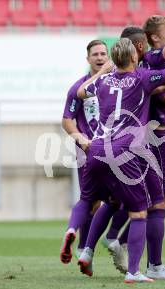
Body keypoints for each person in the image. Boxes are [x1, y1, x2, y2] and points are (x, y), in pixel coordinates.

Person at [76, 20, 165, 283]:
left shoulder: (103, 81)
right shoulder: (141, 77)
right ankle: (135, 272)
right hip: (126, 149)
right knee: (140, 212)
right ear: (132, 55)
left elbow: (81, 91)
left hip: (96, 150)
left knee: (108, 201)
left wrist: (102, 71)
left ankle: (87, 251)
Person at [59, 39, 108, 264]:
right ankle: (86, 247)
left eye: (103, 54)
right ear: (87, 59)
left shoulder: (115, 83)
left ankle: (74, 234)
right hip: (93, 149)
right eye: (95, 54)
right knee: (111, 201)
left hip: (105, 150)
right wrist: (79, 137)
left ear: (109, 58)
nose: (99, 57)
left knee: (91, 200)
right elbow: (67, 119)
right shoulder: (78, 88)